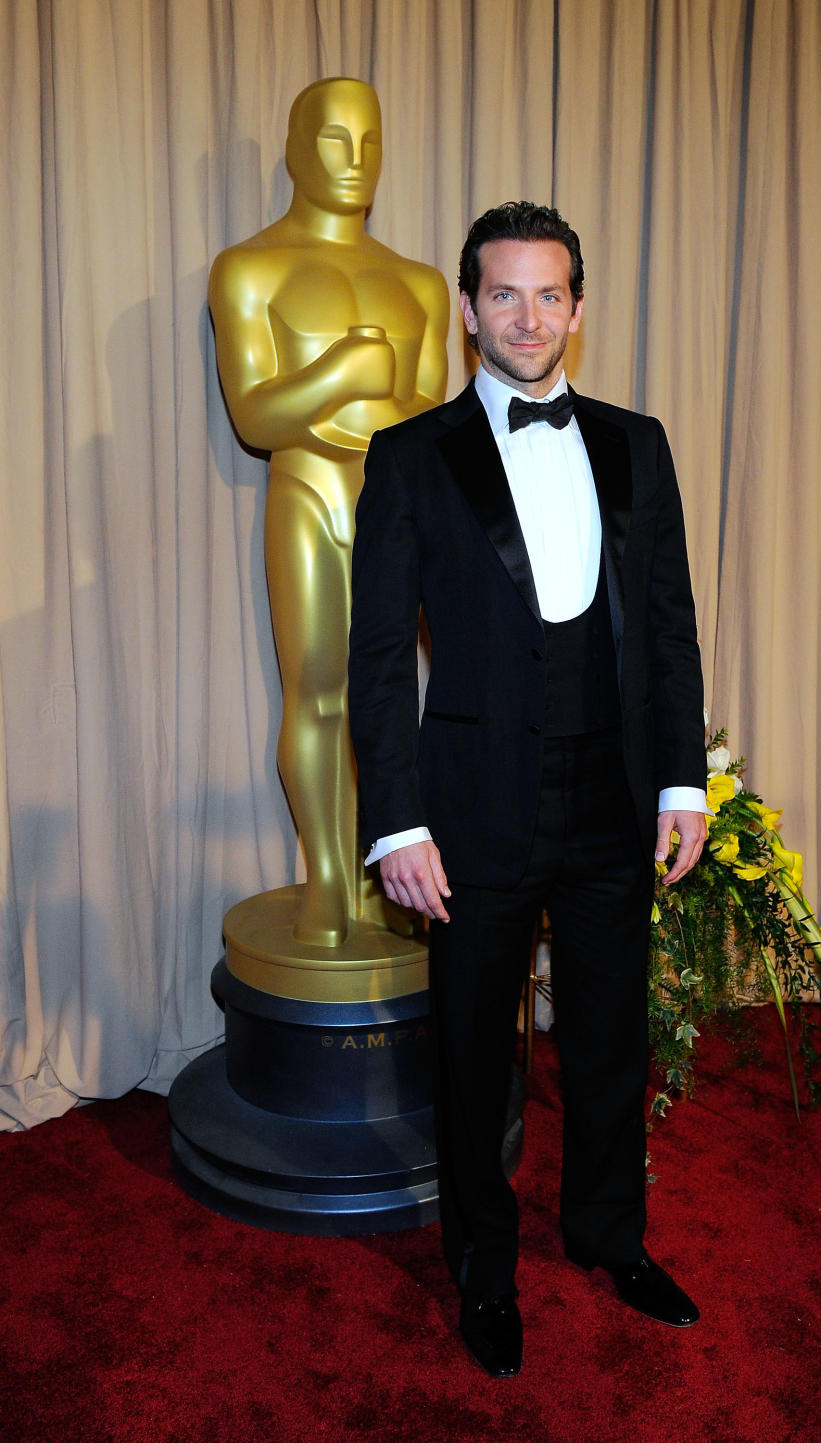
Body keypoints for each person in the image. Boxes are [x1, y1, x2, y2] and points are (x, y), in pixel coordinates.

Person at [348, 202, 708, 1377]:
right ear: (467, 310)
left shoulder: (636, 442)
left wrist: (681, 786)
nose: (529, 315)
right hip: (468, 807)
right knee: (473, 1053)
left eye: (550, 293)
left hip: (613, 796)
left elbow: (667, 627)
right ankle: (483, 1275)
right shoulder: (409, 456)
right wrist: (395, 819)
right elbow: (372, 658)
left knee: (609, 1040)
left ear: (579, 310)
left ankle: (611, 1236)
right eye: (504, 293)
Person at [208, 78, 448, 947]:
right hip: (307, 492)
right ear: (294, 149)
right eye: (334, 141)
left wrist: (332, 396)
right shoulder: (250, 268)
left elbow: (428, 422)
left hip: (396, 508)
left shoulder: (419, 282)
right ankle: (328, 883)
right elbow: (256, 416)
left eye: (369, 142)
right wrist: (341, 374)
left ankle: (382, 871)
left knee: (387, 697)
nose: (354, 161)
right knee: (315, 695)